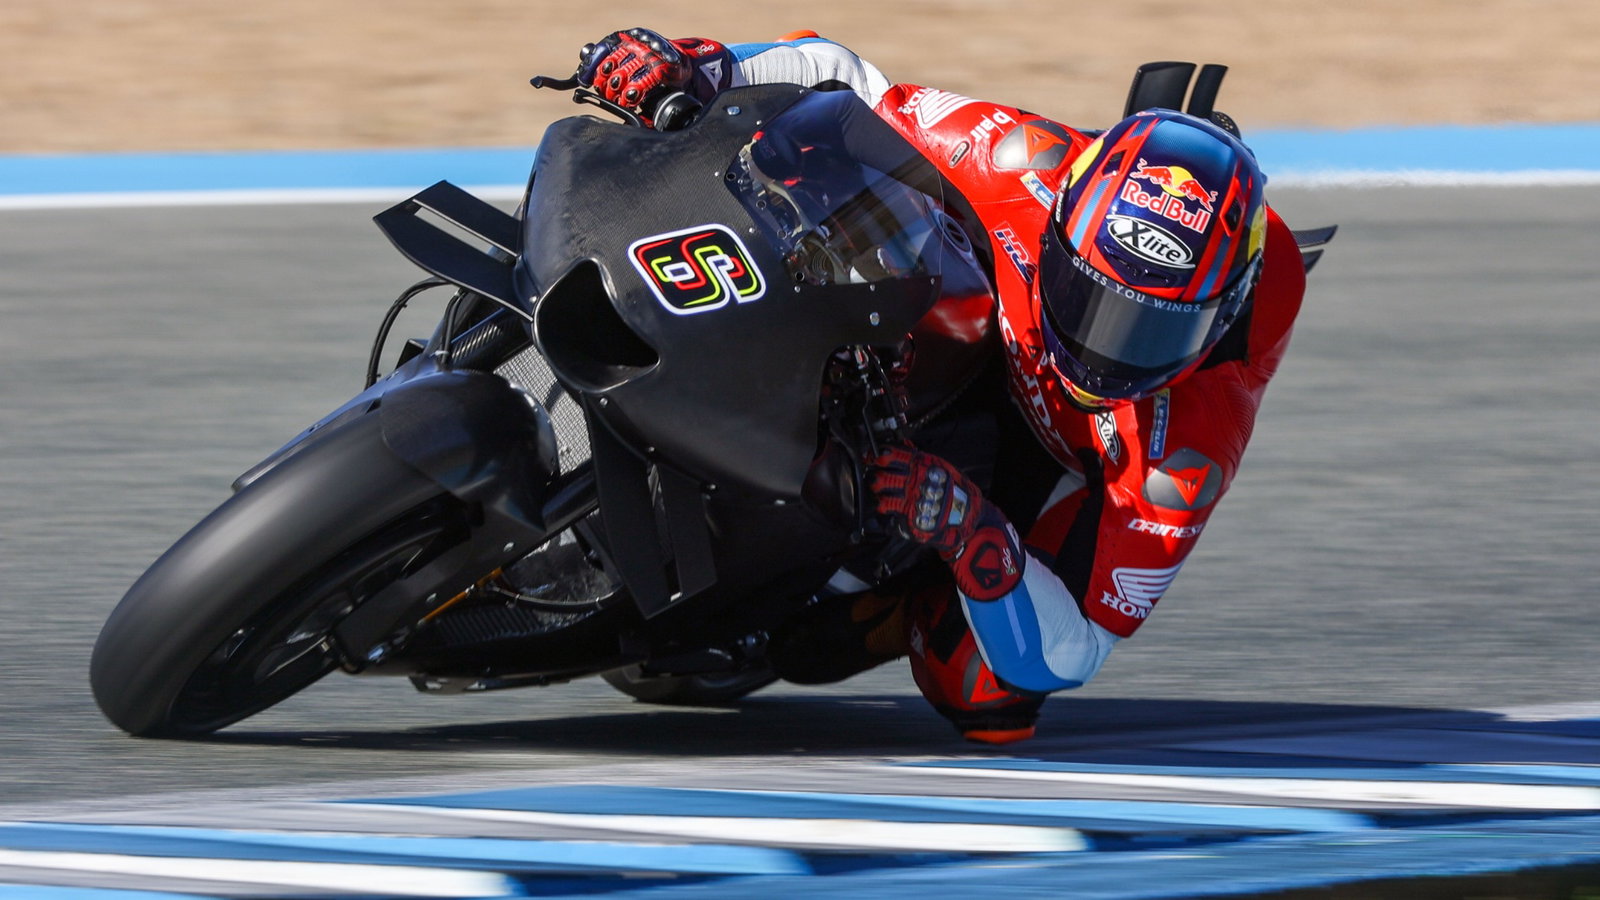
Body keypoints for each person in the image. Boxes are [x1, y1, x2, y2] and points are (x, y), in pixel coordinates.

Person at [575, 29, 1308, 743]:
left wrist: (971, 531)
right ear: (1060, 219)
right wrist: (696, 66)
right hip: (964, 313)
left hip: (1052, 459)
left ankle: (896, 592)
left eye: (1149, 334)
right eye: (1091, 300)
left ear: (1219, 324)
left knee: (988, 695)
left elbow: (1073, 649)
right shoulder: (1019, 161)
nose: (1099, 353)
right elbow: (844, 80)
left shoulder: (1184, 453)